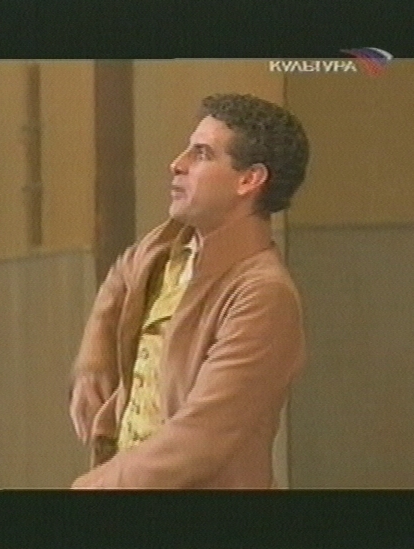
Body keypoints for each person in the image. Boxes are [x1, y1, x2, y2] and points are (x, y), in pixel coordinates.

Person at [68, 93, 309, 489]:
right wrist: (93, 357)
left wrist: (92, 488)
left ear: (249, 180)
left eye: (201, 154)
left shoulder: (263, 294)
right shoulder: (168, 247)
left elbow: (200, 439)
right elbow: (120, 277)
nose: (177, 164)